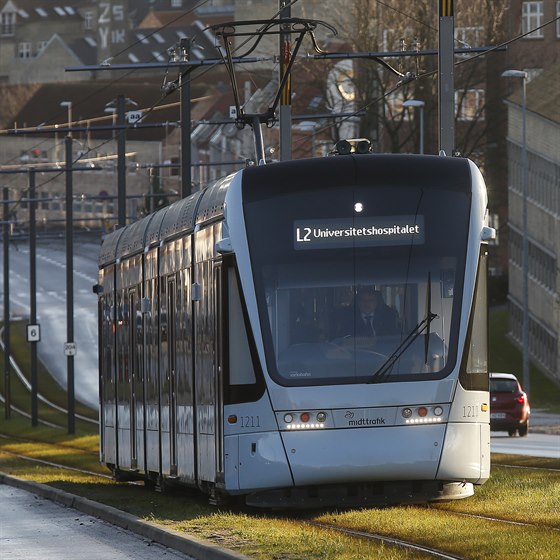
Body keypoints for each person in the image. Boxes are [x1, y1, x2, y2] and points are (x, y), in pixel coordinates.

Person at [332, 288, 399, 338]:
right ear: (358, 302)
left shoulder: (388, 318)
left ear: (377, 302)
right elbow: (342, 339)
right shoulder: (347, 319)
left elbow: (393, 339)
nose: (367, 303)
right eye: (363, 300)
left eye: (371, 300)